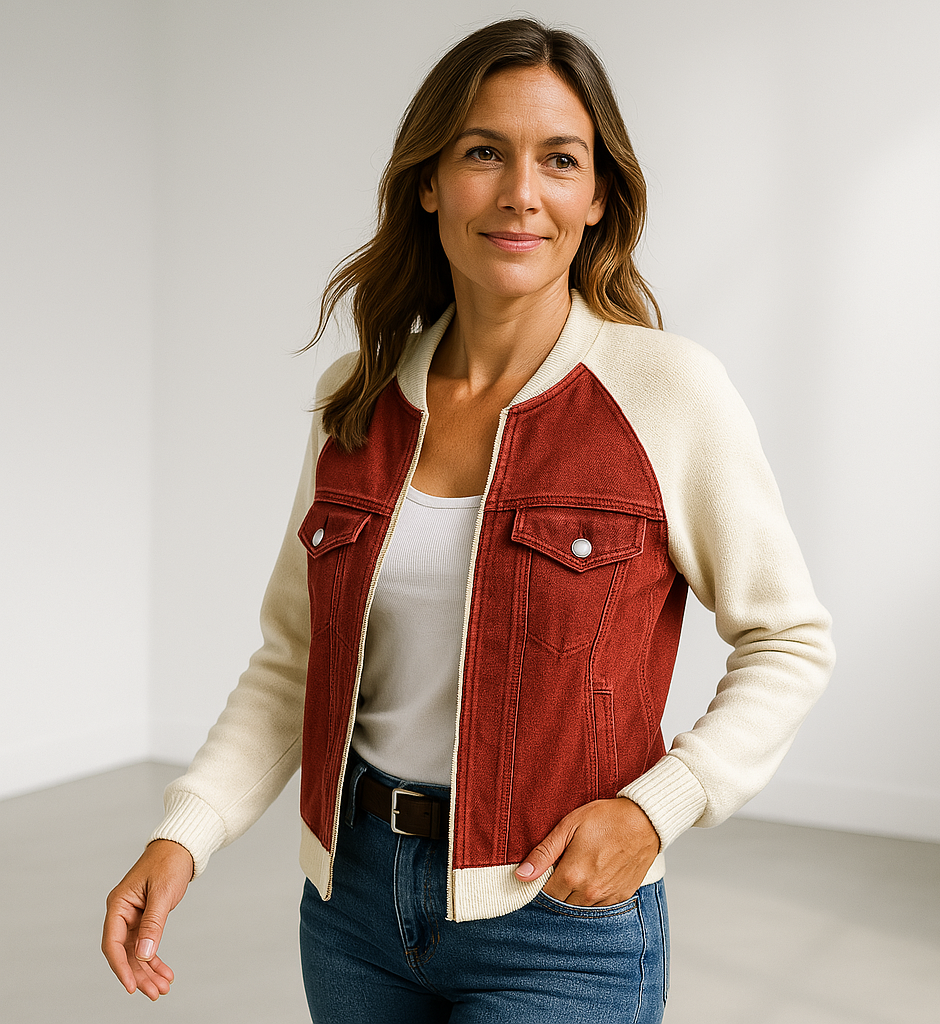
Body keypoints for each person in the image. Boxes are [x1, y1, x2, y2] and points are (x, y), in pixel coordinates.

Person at [102, 17, 834, 1023]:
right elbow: (295, 658)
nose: (521, 192)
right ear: (430, 182)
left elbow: (789, 639)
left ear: (597, 197)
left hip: (559, 923)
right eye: (484, 152)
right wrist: (185, 830)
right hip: (352, 909)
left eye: (560, 160)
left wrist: (655, 808)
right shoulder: (354, 401)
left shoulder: (667, 392)